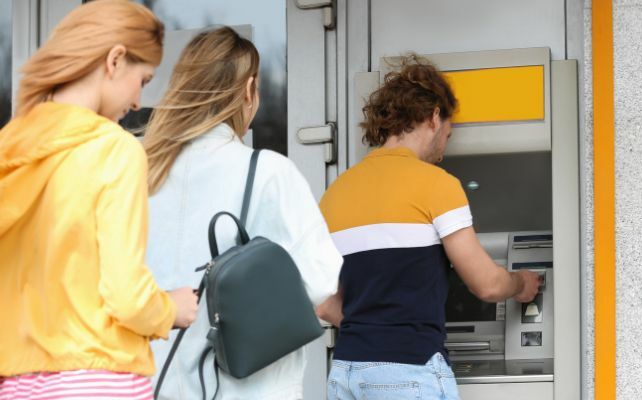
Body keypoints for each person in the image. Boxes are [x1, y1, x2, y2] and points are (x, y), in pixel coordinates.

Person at [0, 1, 199, 399]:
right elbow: (126, 296)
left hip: (19, 383)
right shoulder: (114, 149)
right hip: (100, 379)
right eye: (143, 80)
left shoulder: (11, 146)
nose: (139, 102)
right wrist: (170, 310)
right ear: (115, 60)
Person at [316, 55, 541, 399]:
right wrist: (523, 283)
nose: (441, 152)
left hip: (347, 373)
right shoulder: (436, 184)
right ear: (435, 117)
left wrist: (373, 327)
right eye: (448, 136)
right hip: (409, 369)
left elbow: (322, 304)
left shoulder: (335, 193)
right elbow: (487, 286)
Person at [142, 26, 343, 400]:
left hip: (153, 385)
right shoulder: (267, 171)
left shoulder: (138, 175)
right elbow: (323, 286)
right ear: (248, 89)